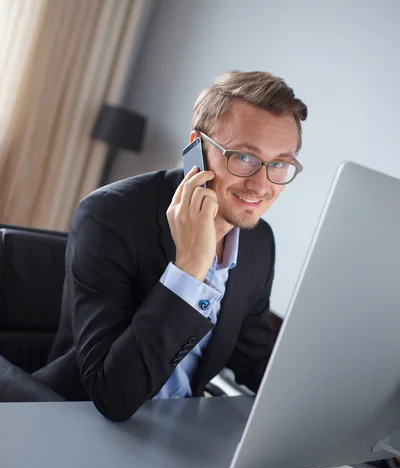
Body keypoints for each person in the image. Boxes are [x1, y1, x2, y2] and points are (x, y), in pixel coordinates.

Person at [34, 70, 308, 421]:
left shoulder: (258, 241)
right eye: (244, 157)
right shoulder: (110, 216)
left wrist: (344, 419)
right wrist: (189, 269)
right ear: (197, 146)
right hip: (78, 423)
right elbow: (110, 395)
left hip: (176, 431)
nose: (260, 184)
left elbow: (253, 358)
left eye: (280, 164)